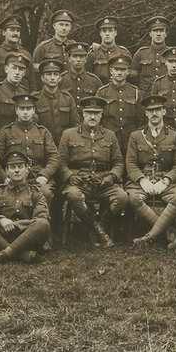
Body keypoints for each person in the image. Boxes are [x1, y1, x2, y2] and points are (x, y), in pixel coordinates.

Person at [58, 96, 127, 248]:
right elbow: (60, 162)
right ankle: (99, 231)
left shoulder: (110, 135)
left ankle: (99, 225)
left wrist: (112, 176)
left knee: (122, 197)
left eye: (96, 113)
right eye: (89, 112)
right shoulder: (69, 134)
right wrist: (70, 176)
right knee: (74, 195)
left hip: (103, 181)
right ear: (83, 113)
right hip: (79, 180)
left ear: (102, 114)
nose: (92, 116)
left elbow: (118, 162)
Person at [0, 150, 51, 265]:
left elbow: (41, 218)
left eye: (20, 166)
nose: (16, 170)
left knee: (43, 224)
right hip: (2, 237)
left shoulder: (36, 193)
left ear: (27, 170)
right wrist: (1, 219)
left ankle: (2, 255)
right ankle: (20, 254)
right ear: (6, 171)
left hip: (26, 237)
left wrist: (16, 225)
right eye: (12, 167)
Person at [127, 94, 176, 249]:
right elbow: (131, 163)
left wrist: (166, 180)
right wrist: (142, 180)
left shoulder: (175, 136)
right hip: (144, 180)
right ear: (146, 113)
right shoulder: (135, 136)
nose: (154, 113)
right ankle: (168, 232)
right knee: (133, 198)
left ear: (164, 112)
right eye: (150, 110)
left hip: (166, 180)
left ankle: (149, 236)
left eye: (158, 110)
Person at [0, 93, 59, 206]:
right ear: (16, 110)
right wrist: (5, 177)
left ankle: (44, 221)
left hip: (37, 176)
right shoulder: (6, 132)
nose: (25, 112)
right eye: (22, 108)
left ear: (34, 110)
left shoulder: (42, 132)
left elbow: (54, 157)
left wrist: (44, 175)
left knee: (46, 193)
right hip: (14, 177)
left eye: (29, 108)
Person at [96, 54, 143, 153]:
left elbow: (141, 119)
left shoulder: (135, 92)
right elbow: (97, 119)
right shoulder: (102, 92)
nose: (119, 72)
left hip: (130, 141)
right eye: (116, 69)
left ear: (128, 72)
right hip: (108, 141)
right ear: (111, 71)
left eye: (123, 70)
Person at [0, 52, 30, 134]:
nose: (17, 72)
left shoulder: (24, 92)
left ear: (24, 73)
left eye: (21, 69)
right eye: (14, 68)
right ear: (6, 69)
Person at [35, 59, 77, 145]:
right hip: (42, 145)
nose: (52, 77)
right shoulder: (36, 99)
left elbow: (75, 125)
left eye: (56, 74)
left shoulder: (67, 98)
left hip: (65, 144)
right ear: (42, 78)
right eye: (49, 74)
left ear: (60, 78)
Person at [0, 14, 34, 85]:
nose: (15, 33)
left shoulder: (26, 54)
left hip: (23, 94)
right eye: (12, 30)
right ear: (4, 32)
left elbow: (32, 82)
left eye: (18, 31)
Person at [130, 15, 170, 96]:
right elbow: (132, 78)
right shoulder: (141, 53)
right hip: (145, 97)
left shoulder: (172, 54)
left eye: (161, 31)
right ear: (150, 34)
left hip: (166, 95)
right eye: (155, 31)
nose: (158, 34)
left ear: (166, 34)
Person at [86, 15, 132, 84]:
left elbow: (129, 76)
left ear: (115, 33)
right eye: (104, 31)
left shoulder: (124, 52)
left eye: (110, 31)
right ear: (100, 33)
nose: (107, 34)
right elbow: (88, 77)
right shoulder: (93, 53)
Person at [60, 42, 102, 109]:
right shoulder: (61, 80)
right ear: (69, 58)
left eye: (81, 56)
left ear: (86, 59)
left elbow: (99, 106)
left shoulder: (95, 81)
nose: (78, 60)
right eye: (75, 56)